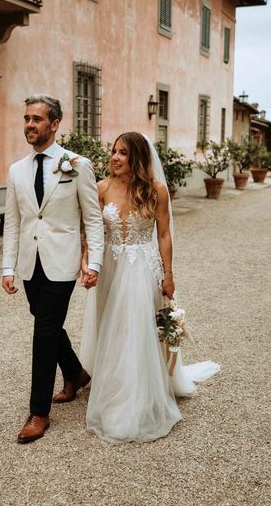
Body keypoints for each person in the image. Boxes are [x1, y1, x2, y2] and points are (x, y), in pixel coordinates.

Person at [80, 131, 220, 443]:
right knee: (113, 328)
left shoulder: (156, 189)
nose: (115, 158)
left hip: (144, 268)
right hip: (112, 267)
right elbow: (91, 232)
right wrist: (88, 262)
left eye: (124, 153)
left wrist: (169, 275)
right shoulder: (101, 188)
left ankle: (139, 393)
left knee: (140, 329)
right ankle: (115, 383)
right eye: (114, 151)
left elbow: (164, 235)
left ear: (138, 158)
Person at [2, 94, 104, 444]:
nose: (29, 125)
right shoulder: (17, 170)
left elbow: (92, 218)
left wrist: (93, 263)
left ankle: (39, 412)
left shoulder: (78, 165)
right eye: (26, 118)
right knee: (47, 322)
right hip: (32, 265)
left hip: (62, 263)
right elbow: (13, 222)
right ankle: (75, 374)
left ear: (55, 124)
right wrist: (7, 266)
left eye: (37, 119)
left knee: (44, 333)